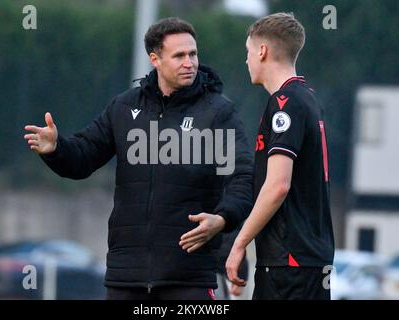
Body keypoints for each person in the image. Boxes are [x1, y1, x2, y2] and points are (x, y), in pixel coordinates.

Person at [24, 17, 253, 300]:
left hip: (188, 277)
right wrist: (56, 148)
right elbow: (82, 158)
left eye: (193, 54)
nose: (190, 63)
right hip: (126, 275)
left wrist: (222, 218)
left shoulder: (218, 112)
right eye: (179, 55)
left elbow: (242, 177)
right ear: (155, 59)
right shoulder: (124, 107)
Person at [226, 12, 335, 300]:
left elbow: (278, 186)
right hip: (308, 261)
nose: (246, 60)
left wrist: (239, 244)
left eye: (248, 52)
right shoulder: (308, 98)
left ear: (262, 51)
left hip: (289, 263)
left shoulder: (285, 103)